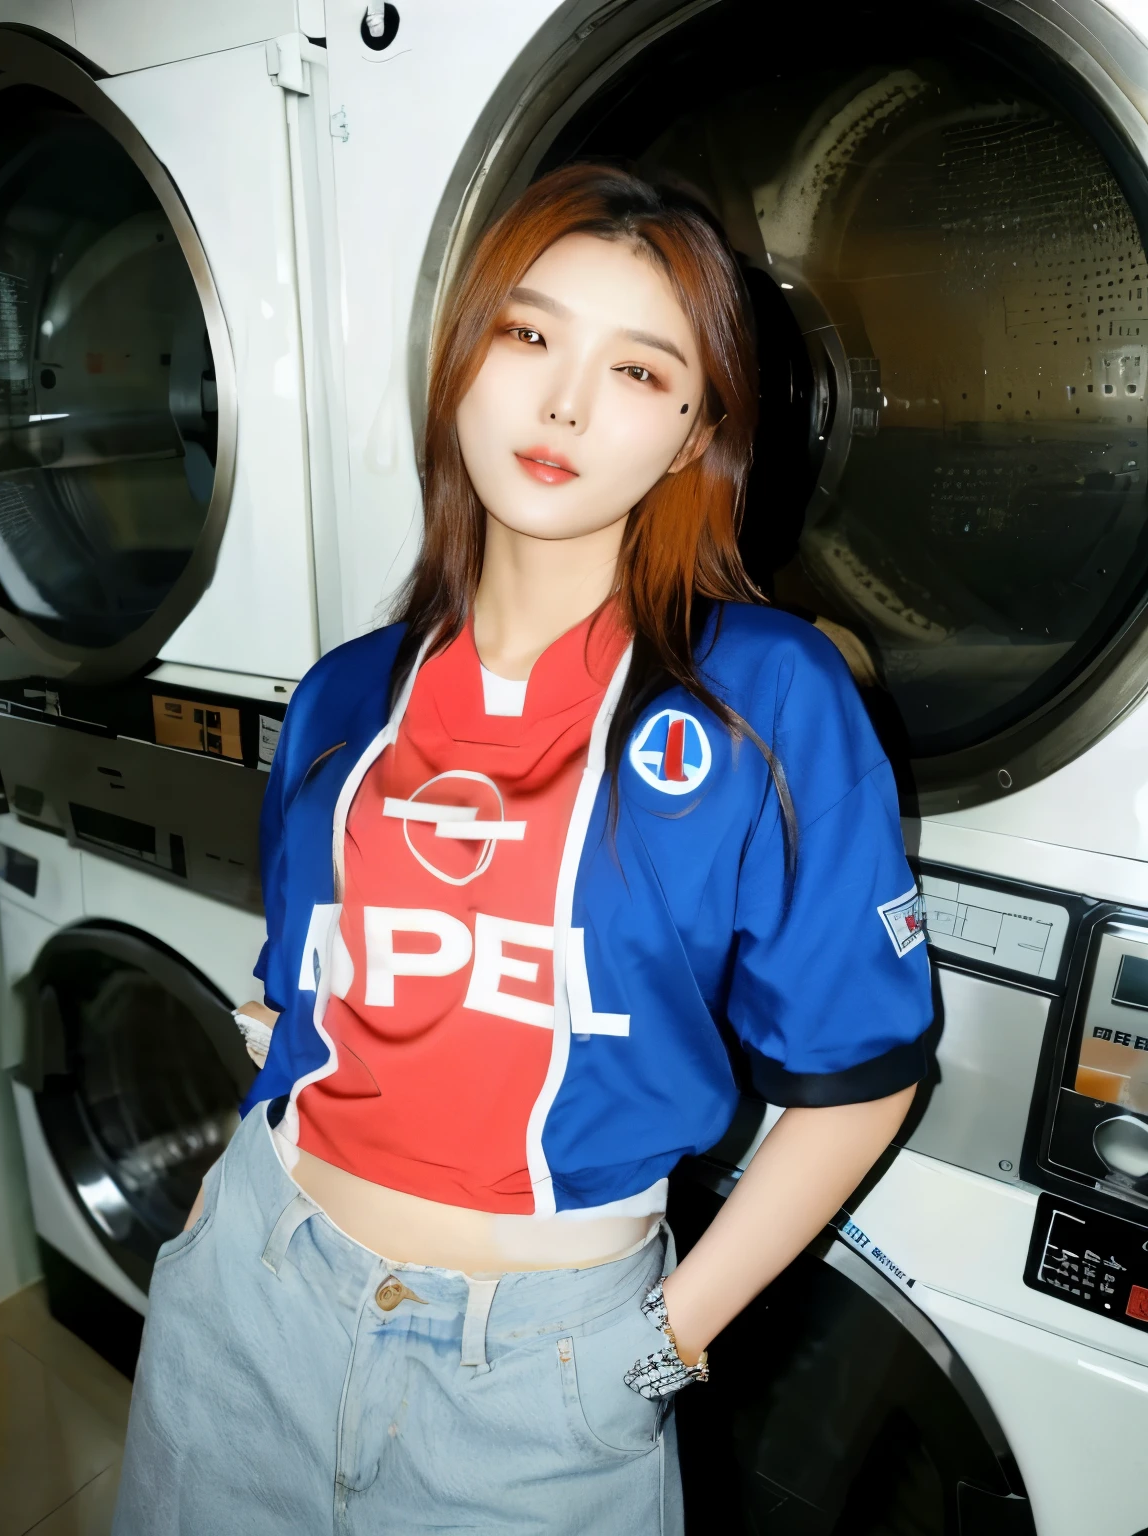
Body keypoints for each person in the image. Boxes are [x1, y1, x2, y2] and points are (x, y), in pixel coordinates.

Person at [112, 163, 932, 1535]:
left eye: (638, 370)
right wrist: (216, 1199)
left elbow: (856, 1084)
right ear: (464, 361)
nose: (561, 403)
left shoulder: (767, 699)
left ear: (690, 435)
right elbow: (300, 998)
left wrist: (664, 1342)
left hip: (547, 1379)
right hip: (249, 1306)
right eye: (530, 334)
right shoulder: (340, 698)